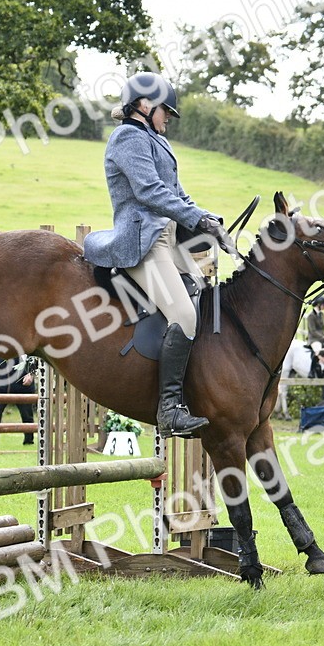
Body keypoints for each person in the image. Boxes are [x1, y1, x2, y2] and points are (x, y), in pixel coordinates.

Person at [83, 72, 235, 438]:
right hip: (143, 241)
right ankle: (168, 411)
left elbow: (178, 194)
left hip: (169, 237)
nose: (168, 118)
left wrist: (208, 220)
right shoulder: (127, 138)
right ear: (145, 105)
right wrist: (196, 218)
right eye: (166, 110)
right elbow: (150, 191)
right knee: (183, 314)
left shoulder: (155, 141)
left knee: (204, 296)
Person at [0, 357, 37, 447]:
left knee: (27, 415)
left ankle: (29, 440)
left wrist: (31, 374)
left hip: (23, 386)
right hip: (1, 386)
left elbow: (36, 359)